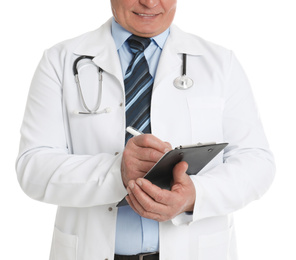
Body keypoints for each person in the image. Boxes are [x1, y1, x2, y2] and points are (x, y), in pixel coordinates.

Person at [16, 0, 275, 259]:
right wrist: (117, 172)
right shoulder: (59, 60)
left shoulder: (220, 63)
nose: (150, 3)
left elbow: (257, 163)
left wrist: (194, 196)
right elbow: (32, 168)